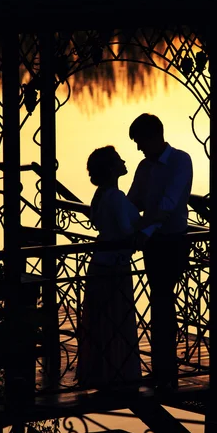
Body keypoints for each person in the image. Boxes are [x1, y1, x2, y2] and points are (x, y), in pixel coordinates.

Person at [127, 113, 193, 391]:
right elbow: (134, 201)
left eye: (141, 142)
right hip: (153, 242)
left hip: (173, 240)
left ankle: (165, 365)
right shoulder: (144, 167)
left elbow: (168, 203)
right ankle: (162, 363)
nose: (139, 148)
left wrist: (142, 225)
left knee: (163, 298)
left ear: (155, 136)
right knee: (159, 300)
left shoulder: (180, 160)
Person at [76, 146, 142, 390]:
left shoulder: (101, 194)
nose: (124, 161)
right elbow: (126, 230)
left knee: (101, 322)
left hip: (99, 263)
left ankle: (102, 372)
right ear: (112, 169)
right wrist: (149, 226)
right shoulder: (115, 196)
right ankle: (119, 372)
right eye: (118, 160)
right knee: (116, 320)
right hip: (115, 265)